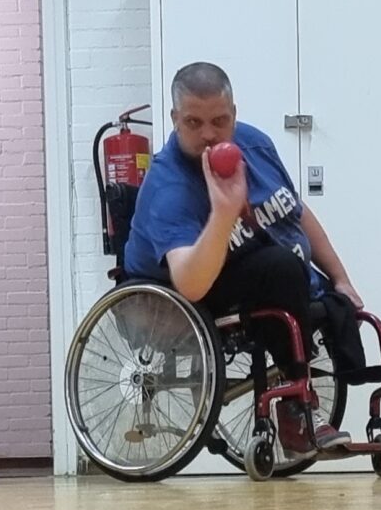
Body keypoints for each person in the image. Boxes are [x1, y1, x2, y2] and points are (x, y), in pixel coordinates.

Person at [124, 61, 366, 458]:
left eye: (219, 121)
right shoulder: (168, 185)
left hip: (255, 268)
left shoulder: (254, 144)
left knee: (313, 288)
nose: (208, 134)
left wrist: (341, 278)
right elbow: (189, 283)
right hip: (180, 293)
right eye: (193, 123)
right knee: (279, 268)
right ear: (174, 119)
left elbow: (296, 212)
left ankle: (324, 394)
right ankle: (294, 408)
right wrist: (223, 214)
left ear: (234, 113)